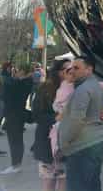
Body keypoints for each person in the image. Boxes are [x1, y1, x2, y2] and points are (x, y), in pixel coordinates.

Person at [59, 57, 103, 191]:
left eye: (77, 68)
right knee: (92, 185)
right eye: (71, 68)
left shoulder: (83, 90)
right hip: (97, 142)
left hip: (83, 147)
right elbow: (102, 113)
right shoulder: (97, 87)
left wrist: (64, 143)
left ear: (89, 70)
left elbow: (76, 121)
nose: (72, 71)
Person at [32, 60, 70, 191]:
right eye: (66, 69)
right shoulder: (44, 88)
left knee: (64, 182)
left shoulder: (76, 88)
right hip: (47, 142)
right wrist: (55, 118)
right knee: (49, 183)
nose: (71, 71)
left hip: (67, 143)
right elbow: (36, 115)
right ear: (58, 72)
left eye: (73, 68)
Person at [0, 62, 33, 176]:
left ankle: (16, 164)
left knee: (15, 140)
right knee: (16, 140)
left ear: (23, 72)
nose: (15, 72)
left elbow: (6, 95)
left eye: (17, 70)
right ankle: (16, 164)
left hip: (14, 114)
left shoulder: (20, 83)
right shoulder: (23, 83)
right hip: (17, 114)